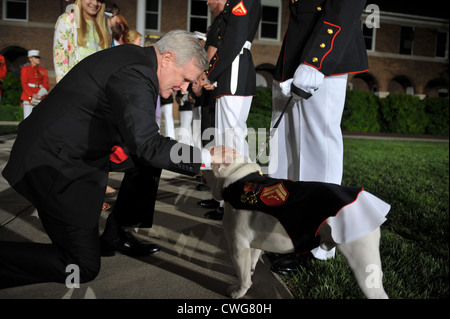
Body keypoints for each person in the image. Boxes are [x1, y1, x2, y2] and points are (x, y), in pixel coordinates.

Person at [0, 30, 234, 289]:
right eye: (184, 79)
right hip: (53, 163)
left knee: (149, 162)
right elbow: (147, 144)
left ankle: (115, 234)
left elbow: (139, 141)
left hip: (70, 148)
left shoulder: (135, 58)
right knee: (82, 266)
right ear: (167, 58)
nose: (183, 89)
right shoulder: (137, 73)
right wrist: (204, 157)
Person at [267, 0, 370, 274]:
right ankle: (289, 233)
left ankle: (317, 246)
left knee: (317, 155)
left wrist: (316, 61)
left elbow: (344, 7)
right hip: (295, 55)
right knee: (285, 156)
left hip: (322, 56)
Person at [198, 0, 262, 220]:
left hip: (233, 70)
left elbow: (233, 40)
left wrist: (211, 73)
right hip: (233, 69)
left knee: (231, 138)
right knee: (230, 137)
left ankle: (235, 201)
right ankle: (232, 198)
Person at [53, 0, 111, 83]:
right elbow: (60, 62)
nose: (95, 3)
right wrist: (65, 90)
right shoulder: (67, 20)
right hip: (75, 87)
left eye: (99, 0)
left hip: (99, 89)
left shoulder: (105, 27)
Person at [20, 50, 49, 119]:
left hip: (40, 96)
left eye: (38, 57)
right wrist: (32, 94)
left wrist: (39, 94)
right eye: (36, 57)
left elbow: (46, 84)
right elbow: (24, 84)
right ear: (30, 59)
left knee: (39, 118)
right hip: (28, 97)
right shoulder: (25, 69)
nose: (38, 59)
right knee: (27, 118)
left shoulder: (43, 70)